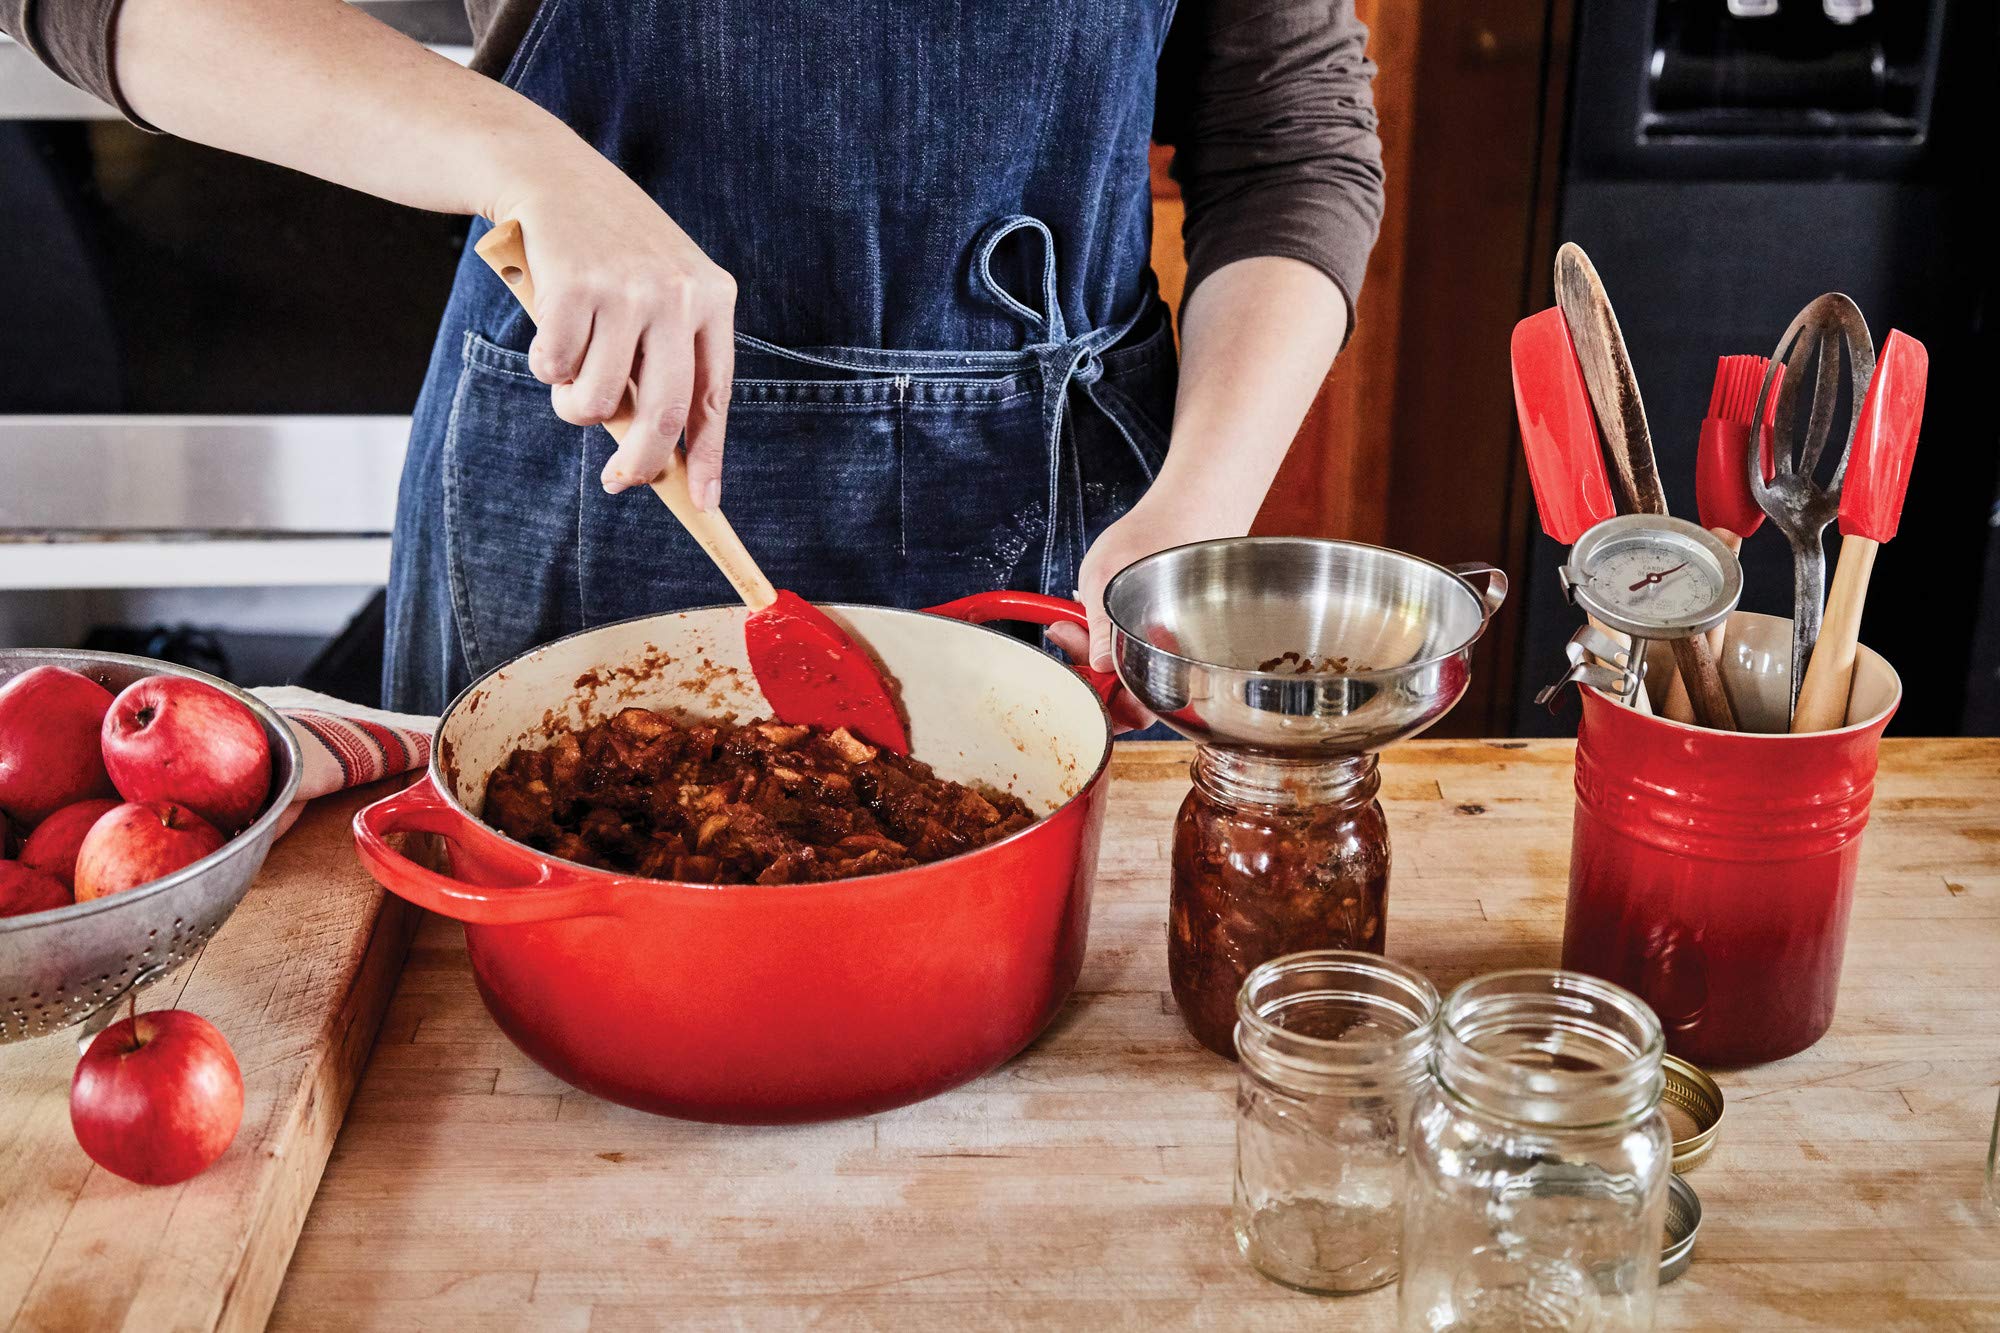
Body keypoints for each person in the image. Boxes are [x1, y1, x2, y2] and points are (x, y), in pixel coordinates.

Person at [3, 0, 1384, 719]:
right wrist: (519, 154)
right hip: (599, 476)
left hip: (1067, 540)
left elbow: (1292, 143)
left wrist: (1194, 511)